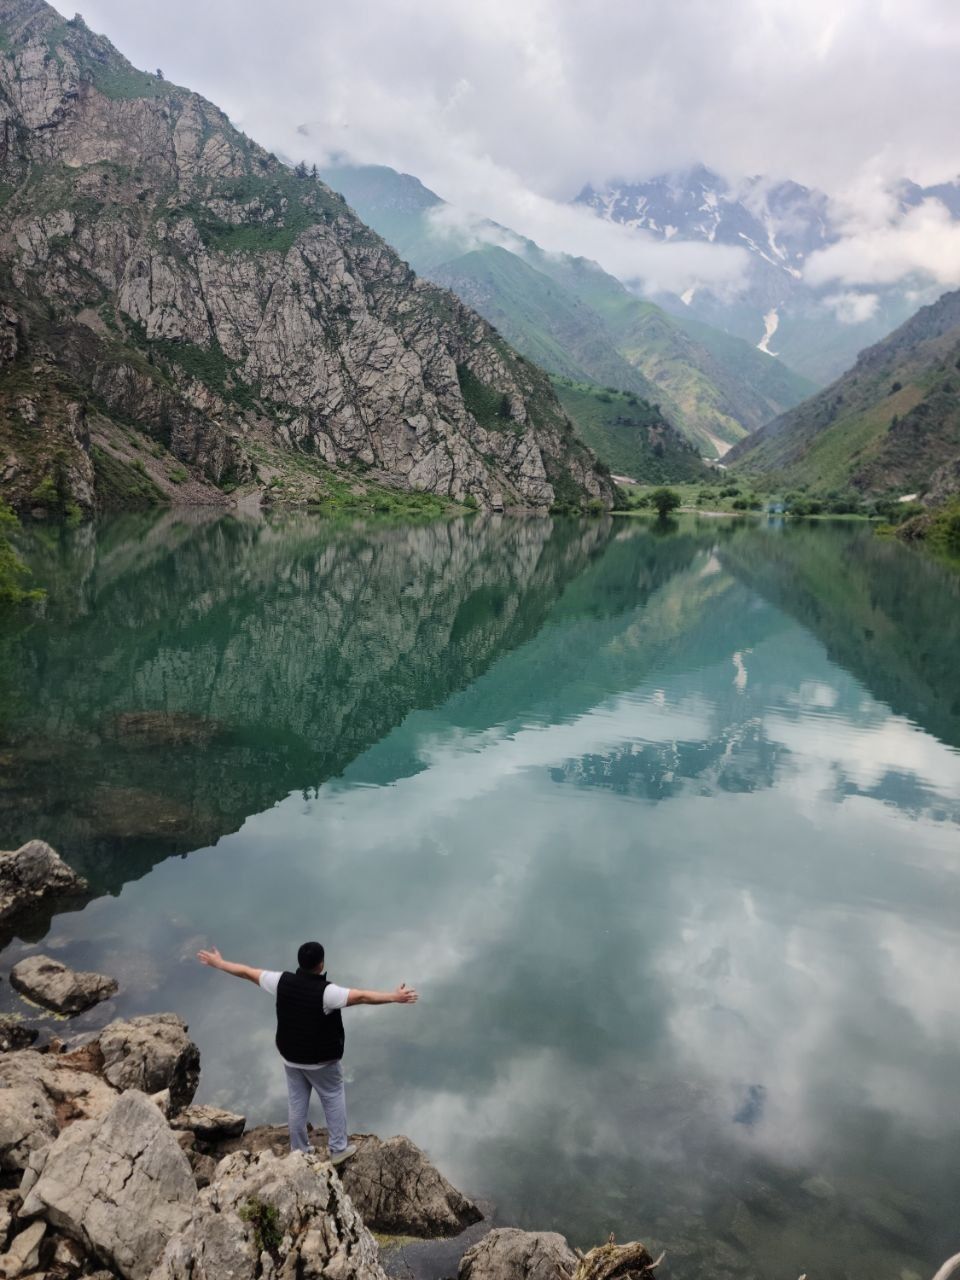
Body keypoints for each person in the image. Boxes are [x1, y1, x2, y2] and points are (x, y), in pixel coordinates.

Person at [197, 940, 418, 1164]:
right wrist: (395, 997)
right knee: (333, 1095)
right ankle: (338, 1149)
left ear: (300, 962)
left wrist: (219, 963)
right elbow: (361, 996)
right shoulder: (327, 993)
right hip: (321, 1061)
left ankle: (299, 1151)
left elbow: (246, 972)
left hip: (290, 1057)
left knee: (296, 1102)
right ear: (321, 965)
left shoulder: (280, 981)